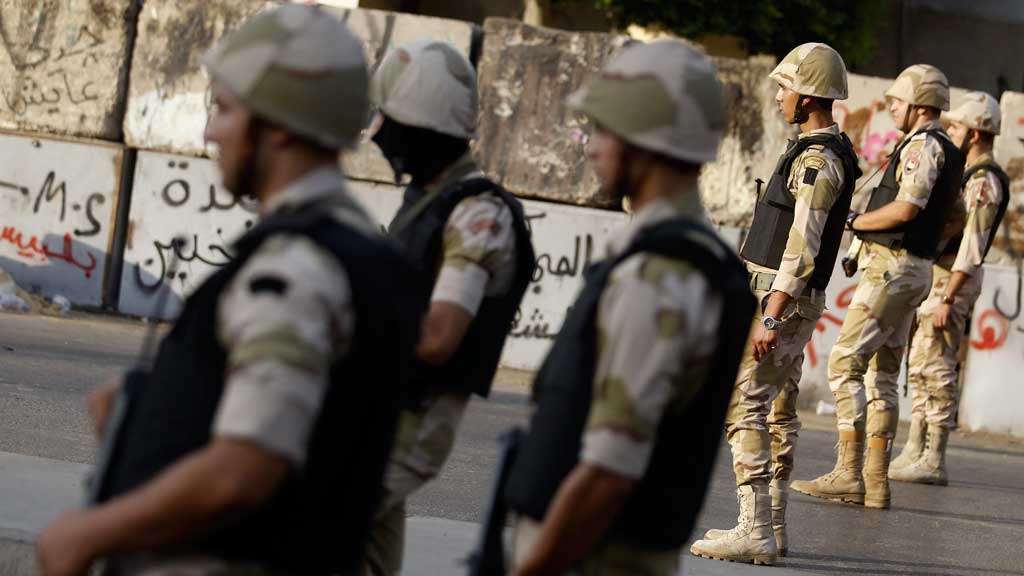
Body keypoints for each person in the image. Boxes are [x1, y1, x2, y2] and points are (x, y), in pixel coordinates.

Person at [36, 6, 419, 575]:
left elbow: (246, 469)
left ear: (279, 123)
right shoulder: (359, 247)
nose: (212, 131)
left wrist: (88, 534)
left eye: (225, 109)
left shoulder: (296, 268)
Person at [501, 40, 755, 576]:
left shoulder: (657, 275)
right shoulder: (691, 256)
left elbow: (608, 474)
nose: (591, 146)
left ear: (645, 141)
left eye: (603, 128)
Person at [362, 40, 536, 576]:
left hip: (412, 421)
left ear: (419, 126)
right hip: (381, 411)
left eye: (388, 120)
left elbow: (438, 338)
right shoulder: (431, 201)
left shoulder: (477, 214)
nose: (377, 133)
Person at [689, 42, 860, 565]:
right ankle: (773, 525)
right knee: (777, 408)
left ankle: (754, 528)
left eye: (784, 88)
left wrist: (770, 313)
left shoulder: (817, 161)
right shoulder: (817, 151)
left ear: (808, 97)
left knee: (746, 406)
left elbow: (802, 248)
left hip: (780, 302)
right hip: (779, 299)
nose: (779, 96)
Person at [792, 64, 965, 510]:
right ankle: (875, 482)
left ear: (920, 104)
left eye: (898, 102)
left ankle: (849, 474)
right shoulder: (947, 149)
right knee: (883, 375)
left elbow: (907, 208)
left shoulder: (924, 146)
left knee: (845, 364)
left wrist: (857, 223)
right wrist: (924, 245)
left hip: (892, 269)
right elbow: (956, 216)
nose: (891, 109)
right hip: (914, 270)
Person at [890, 91, 1009, 485]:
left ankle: (934, 457)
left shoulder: (984, 179)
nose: (950, 131)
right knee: (923, 363)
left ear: (975, 134)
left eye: (956, 126)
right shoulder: (966, 172)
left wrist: (948, 295)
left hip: (953, 282)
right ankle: (915, 447)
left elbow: (972, 246)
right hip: (942, 276)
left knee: (939, 366)